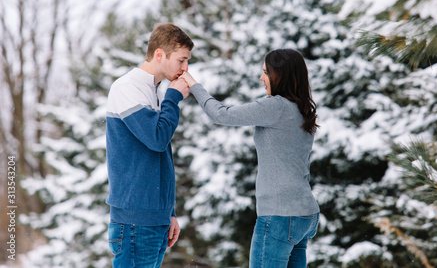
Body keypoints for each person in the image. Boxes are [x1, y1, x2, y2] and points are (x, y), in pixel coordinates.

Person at [181, 48, 320, 268]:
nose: (261, 77)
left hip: (279, 215)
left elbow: (221, 114)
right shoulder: (301, 109)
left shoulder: (276, 106)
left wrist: (193, 85)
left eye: (266, 72)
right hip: (305, 215)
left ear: (280, 75)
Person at [105, 23, 193, 267]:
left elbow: (158, 158)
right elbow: (157, 139)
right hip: (135, 223)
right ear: (159, 54)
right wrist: (173, 98)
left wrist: (169, 212)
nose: (185, 68)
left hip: (153, 220)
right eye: (181, 60)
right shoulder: (127, 87)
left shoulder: (153, 90)